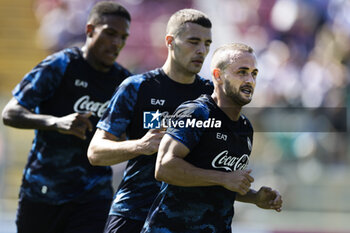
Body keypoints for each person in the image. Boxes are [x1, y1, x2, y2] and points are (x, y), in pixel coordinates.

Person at [1, 2, 132, 233]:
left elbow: (136, 131)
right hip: (43, 191)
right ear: (90, 30)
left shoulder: (124, 83)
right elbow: (11, 113)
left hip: (93, 196)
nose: (116, 43)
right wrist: (56, 123)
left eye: (123, 37)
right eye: (110, 33)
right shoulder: (60, 65)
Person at [87, 9, 213, 233]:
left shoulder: (211, 95)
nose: (201, 50)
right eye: (193, 41)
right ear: (170, 42)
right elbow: (95, 152)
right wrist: (140, 146)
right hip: (135, 212)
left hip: (190, 219)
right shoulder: (136, 87)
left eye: (207, 43)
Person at [141, 43, 283, 233]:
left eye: (254, 73)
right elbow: (164, 167)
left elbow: (219, 185)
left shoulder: (245, 127)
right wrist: (224, 178)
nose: (249, 80)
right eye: (241, 72)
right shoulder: (197, 113)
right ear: (218, 76)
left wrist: (254, 197)